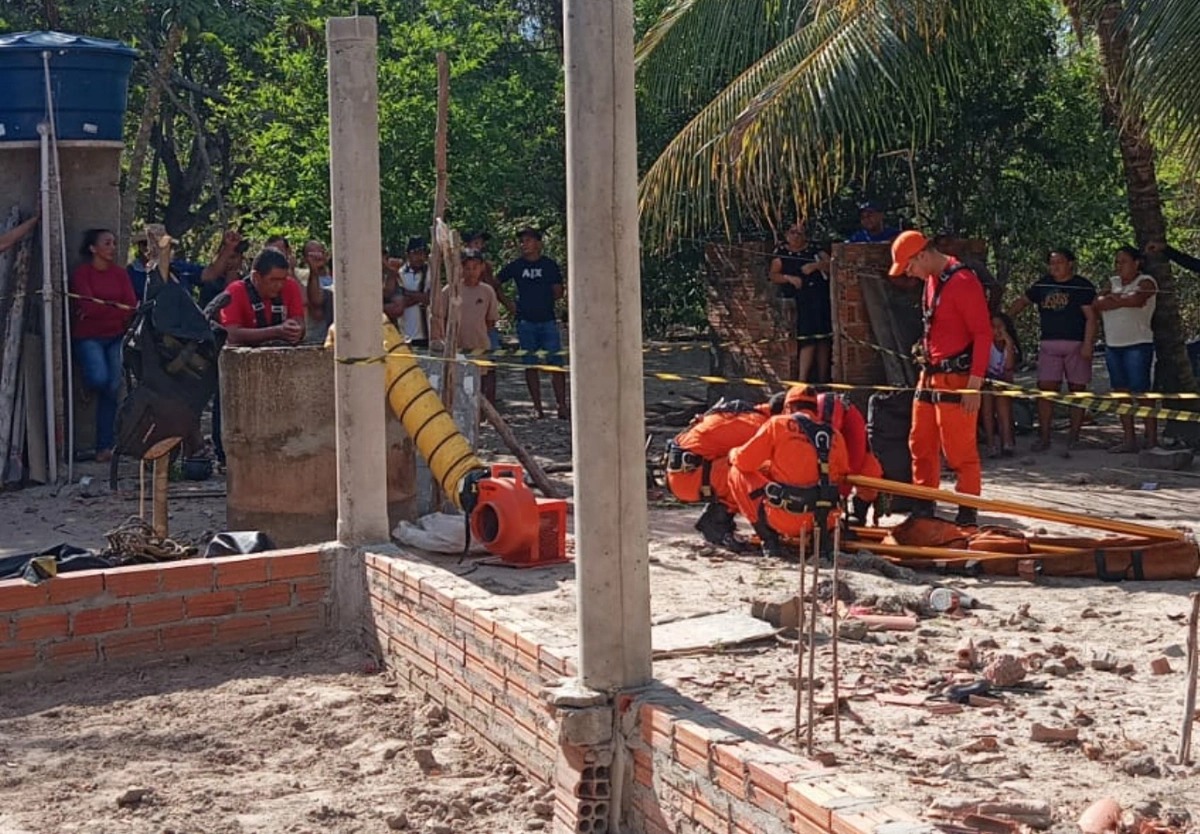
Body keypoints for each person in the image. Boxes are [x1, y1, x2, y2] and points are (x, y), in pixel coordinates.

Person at [888, 231, 992, 525]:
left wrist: (974, 386)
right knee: (920, 444)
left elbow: (983, 334)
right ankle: (924, 507)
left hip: (957, 379)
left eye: (910, 267)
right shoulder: (933, 281)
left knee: (959, 451)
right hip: (929, 375)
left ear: (922, 255)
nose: (910, 274)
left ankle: (967, 511)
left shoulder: (962, 281)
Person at [728, 385, 851, 558]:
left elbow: (744, 462)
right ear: (816, 409)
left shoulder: (777, 424)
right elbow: (842, 474)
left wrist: (732, 454)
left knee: (736, 472)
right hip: (825, 519)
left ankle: (769, 540)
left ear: (788, 408)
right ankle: (821, 541)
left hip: (787, 518)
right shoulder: (835, 434)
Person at [665, 393, 785, 552]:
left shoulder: (748, 414)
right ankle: (716, 523)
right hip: (689, 476)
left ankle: (717, 519)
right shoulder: (757, 425)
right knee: (752, 472)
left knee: (747, 464)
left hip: (684, 472)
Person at [1007, 248, 1097, 453]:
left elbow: (1091, 317)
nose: (1055, 267)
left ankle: (1074, 437)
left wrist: (1088, 344)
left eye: (1060, 262)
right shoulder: (1043, 284)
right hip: (1049, 343)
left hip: (1075, 343)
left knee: (1077, 390)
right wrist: (1004, 320)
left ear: (1070, 264)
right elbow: (1022, 301)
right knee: (1046, 390)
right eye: (1052, 263)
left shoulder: (1081, 285)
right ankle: (1044, 436)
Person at [70, 228, 137, 463]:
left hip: (115, 336)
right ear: (93, 248)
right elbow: (88, 307)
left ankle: (104, 446)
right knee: (99, 379)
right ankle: (88, 385)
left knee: (112, 387)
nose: (112, 247)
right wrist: (115, 308)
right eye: (107, 243)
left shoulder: (120, 274)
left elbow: (130, 305)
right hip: (88, 336)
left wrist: (108, 308)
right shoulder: (82, 274)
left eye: (114, 243)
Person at [496, 226, 568, 419]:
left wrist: (548, 298)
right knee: (530, 364)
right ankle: (538, 408)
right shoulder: (516, 266)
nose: (524, 244)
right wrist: (507, 303)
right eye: (522, 241)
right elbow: (496, 282)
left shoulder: (549, 265)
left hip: (548, 321)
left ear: (538, 243)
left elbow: (559, 291)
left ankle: (562, 405)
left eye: (528, 240)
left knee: (556, 364)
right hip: (525, 322)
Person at [1094, 246, 1158, 452]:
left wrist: (1114, 300)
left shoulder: (1146, 281)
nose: (1119, 266)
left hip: (1138, 344)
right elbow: (1097, 303)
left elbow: (1137, 300)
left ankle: (1151, 440)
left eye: (1123, 261)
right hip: (1113, 345)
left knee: (1141, 393)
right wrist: (1119, 300)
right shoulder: (1112, 283)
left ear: (1136, 262)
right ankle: (1129, 440)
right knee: (1120, 392)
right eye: (1117, 262)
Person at [808, 392, 884, 525]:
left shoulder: (854, 423)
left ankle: (858, 513)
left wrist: (840, 494)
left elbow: (854, 462)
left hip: (850, 453)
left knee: (871, 474)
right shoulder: (809, 416)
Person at [769, 224, 832, 382]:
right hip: (798, 302)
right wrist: (789, 278)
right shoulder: (782, 253)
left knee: (823, 339)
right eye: (792, 232)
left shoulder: (814, 250)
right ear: (786, 234)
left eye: (800, 233)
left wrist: (815, 266)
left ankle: (823, 379)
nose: (796, 236)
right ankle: (802, 381)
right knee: (807, 339)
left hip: (819, 298)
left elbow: (832, 264)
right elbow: (773, 275)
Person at [438, 248, 500, 406]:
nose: (471, 272)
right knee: (458, 385)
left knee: (479, 384)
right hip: (456, 347)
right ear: (460, 268)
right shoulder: (450, 291)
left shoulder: (487, 291)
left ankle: (480, 417)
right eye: (467, 267)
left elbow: (490, 320)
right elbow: (441, 318)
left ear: (482, 268)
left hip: (479, 346)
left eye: (475, 267)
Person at [218, 248, 306, 347]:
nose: (279, 285)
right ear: (256, 277)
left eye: (283, 279)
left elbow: (299, 321)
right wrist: (275, 332)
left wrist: (296, 330)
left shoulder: (290, 286)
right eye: (273, 280)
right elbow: (231, 334)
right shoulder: (235, 291)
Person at [980, 313, 1021, 458]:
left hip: (1003, 383)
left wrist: (1008, 342)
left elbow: (1009, 367)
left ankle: (1007, 441)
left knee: (1003, 405)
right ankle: (991, 444)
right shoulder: (985, 344)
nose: (996, 331)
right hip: (987, 383)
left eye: (1000, 327)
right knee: (987, 409)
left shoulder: (1010, 345)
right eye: (993, 327)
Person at [384, 237, 431, 348]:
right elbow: (399, 302)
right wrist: (419, 296)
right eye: (416, 253)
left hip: (427, 334)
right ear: (408, 255)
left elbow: (430, 298)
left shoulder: (430, 272)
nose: (420, 257)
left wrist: (406, 293)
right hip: (406, 335)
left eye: (422, 253)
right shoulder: (400, 274)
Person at [464, 230, 502, 351]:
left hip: (484, 313)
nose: (479, 246)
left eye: (481, 243)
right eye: (476, 243)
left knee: (491, 352)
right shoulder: (458, 266)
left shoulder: (487, 266)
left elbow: (493, 287)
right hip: (466, 316)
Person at [301, 239, 334, 344]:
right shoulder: (302, 277)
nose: (318, 257)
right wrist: (313, 269)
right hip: (315, 338)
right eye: (312, 254)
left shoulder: (335, 276)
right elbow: (316, 303)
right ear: (305, 258)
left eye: (320, 252)